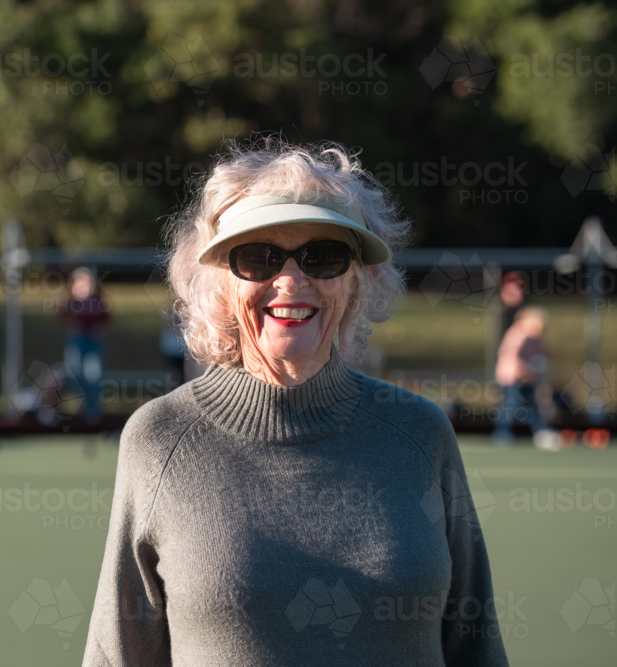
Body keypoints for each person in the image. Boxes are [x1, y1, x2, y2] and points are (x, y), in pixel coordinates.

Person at [82, 141, 508, 666]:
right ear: (218, 284)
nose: (290, 281)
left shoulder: (420, 433)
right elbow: (117, 656)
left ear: (356, 282)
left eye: (323, 256)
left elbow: (476, 647)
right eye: (257, 257)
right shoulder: (160, 439)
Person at [492, 306, 558, 450]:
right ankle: (502, 432)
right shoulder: (517, 334)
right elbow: (509, 354)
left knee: (533, 405)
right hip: (511, 378)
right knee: (512, 404)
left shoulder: (536, 337)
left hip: (528, 379)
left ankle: (541, 431)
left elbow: (543, 353)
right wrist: (522, 369)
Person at [57, 266, 110, 422]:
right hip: (77, 340)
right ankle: (83, 402)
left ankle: (93, 410)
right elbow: (62, 316)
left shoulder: (97, 300)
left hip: (93, 341)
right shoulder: (71, 300)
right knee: (75, 373)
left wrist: (99, 329)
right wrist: (71, 326)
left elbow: (105, 319)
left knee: (93, 374)